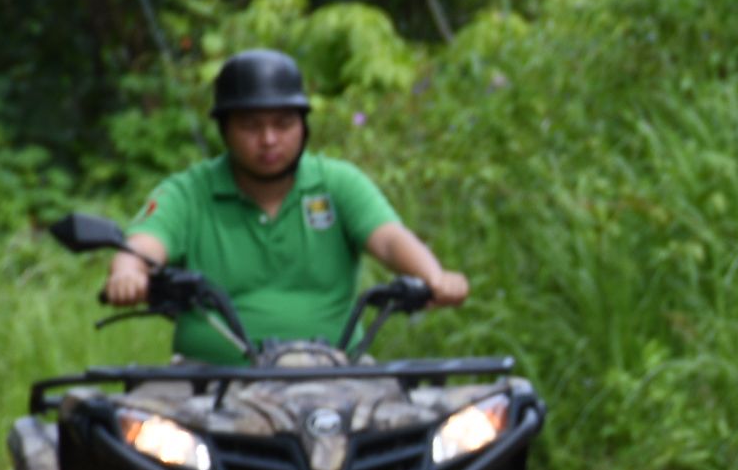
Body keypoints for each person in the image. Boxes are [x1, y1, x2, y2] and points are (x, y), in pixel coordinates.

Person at [102, 50, 468, 363]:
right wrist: (128, 274)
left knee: (428, 433)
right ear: (225, 130)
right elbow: (144, 244)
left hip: (340, 373)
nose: (268, 140)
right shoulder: (188, 193)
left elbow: (388, 238)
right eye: (250, 126)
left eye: (283, 123)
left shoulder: (338, 183)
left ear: (303, 127)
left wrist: (433, 278)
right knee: (131, 433)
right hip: (208, 383)